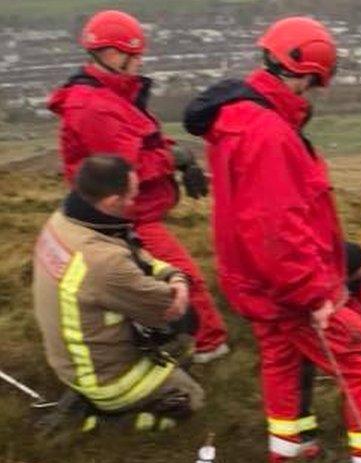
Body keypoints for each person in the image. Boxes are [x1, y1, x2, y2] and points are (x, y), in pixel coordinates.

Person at [182, 16, 361, 463]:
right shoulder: (269, 133)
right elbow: (276, 228)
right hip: (289, 282)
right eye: (316, 83)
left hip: (255, 280)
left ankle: (291, 450)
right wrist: (315, 294)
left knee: (282, 357)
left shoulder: (236, 119)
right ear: (306, 73)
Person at [47, 10, 229, 364]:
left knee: (148, 284)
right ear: (113, 55)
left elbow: (139, 140)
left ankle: (166, 341)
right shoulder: (94, 106)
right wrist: (173, 160)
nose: (140, 62)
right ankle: (209, 346)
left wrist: (179, 155)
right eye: (136, 55)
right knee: (182, 278)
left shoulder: (111, 95)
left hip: (129, 212)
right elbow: (122, 170)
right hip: (124, 215)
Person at [32, 155, 204, 432]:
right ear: (112, 201)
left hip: (66, 360)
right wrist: (179, 284)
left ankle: (86, 397)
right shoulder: (105, 262)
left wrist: (172, 274)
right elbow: (170, 308)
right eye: (131, 197)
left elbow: (135, 255)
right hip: (104, 377)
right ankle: (102, 421)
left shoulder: (64, 221)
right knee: (190, 392)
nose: (134, 203)